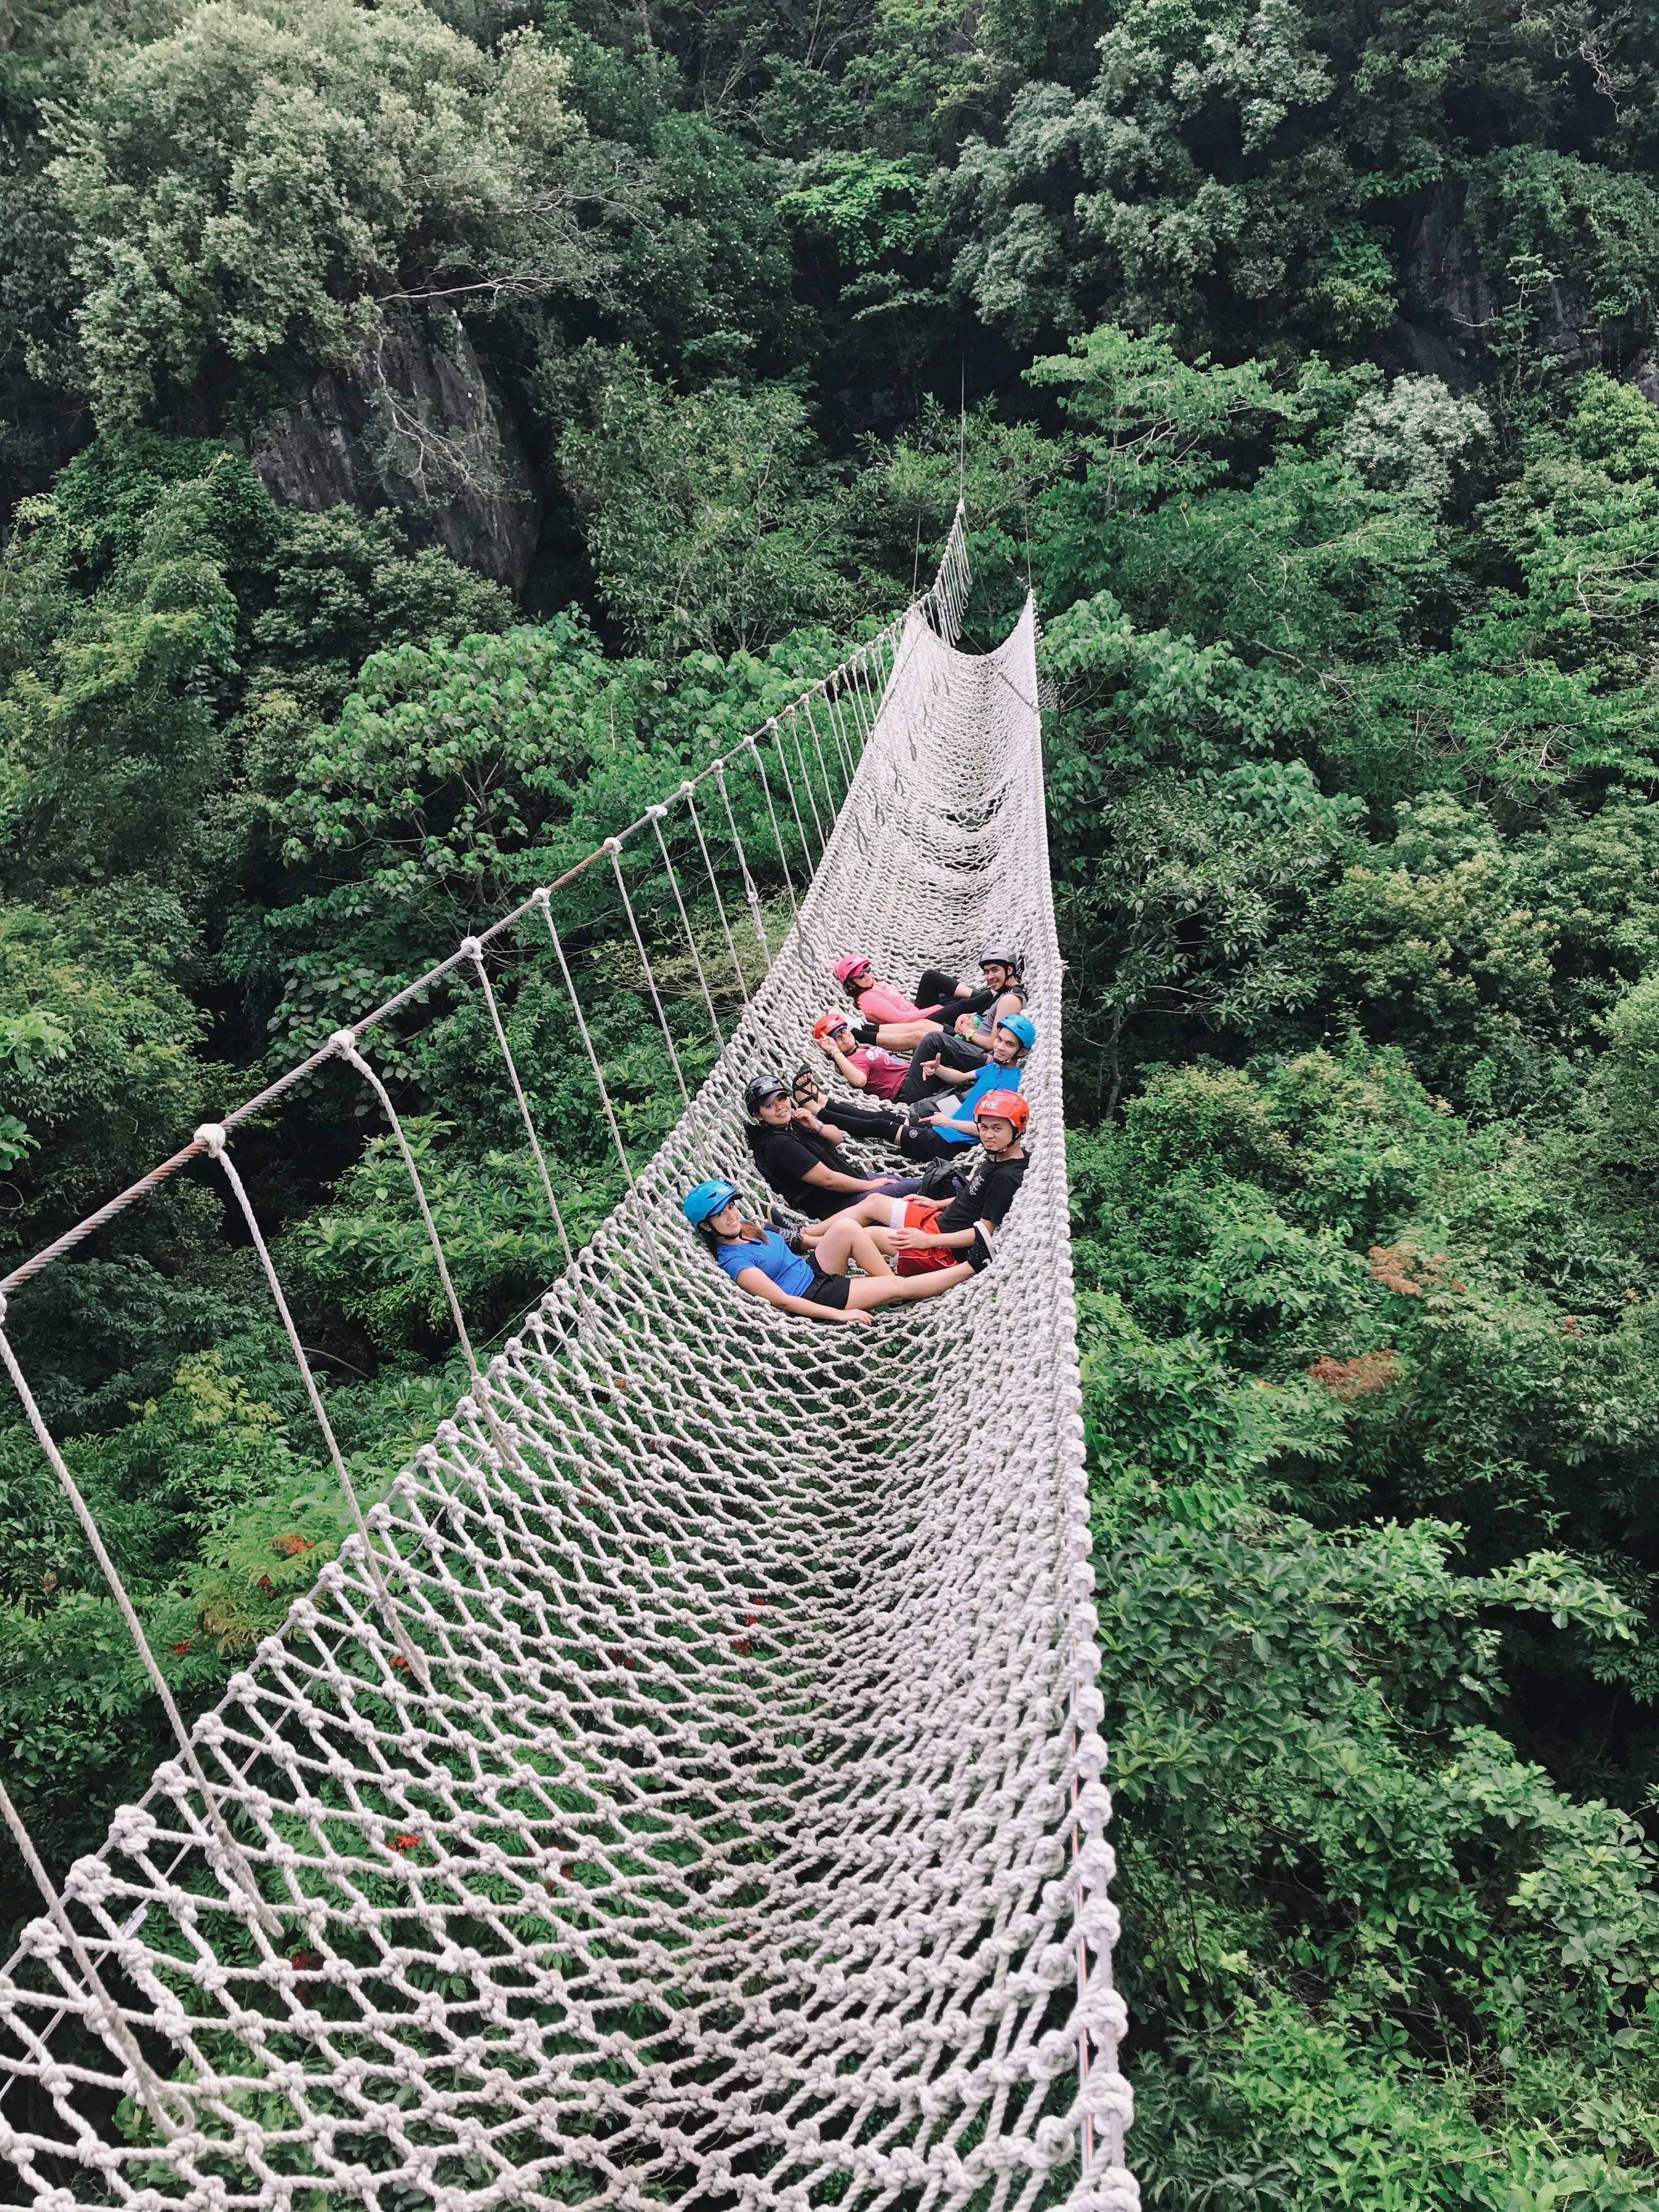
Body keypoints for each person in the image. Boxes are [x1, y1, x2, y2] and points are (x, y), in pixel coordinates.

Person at [681, 1181, 973, 1323]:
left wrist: (820, 1238)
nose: (731, 1215)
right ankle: (972, 1266)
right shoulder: (736, 1263)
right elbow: (784, 1302)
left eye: (731, 1206)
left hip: (812, 1271)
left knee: (848, 1227)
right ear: (707, 1227)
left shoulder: (742, 1226)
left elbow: (794, 1244)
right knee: (899, 1284)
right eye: (721, 1214)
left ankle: (892, 1294)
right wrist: (839, 1316)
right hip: (812, 1297)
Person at [833, 1091, 1029, 1275]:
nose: (988, 1135)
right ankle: (807, 1238)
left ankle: (896, 1289)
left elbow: (983, 1233)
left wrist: (927, 1241)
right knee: (875, 1201)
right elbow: (974, 1195)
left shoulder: (1005, 1178)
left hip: (944, 1251)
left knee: (866, 1235)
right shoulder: (999, 1157)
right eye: (984, 1127)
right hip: (938, 1222)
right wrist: (937, 1204)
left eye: (997, 1128)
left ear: (1018, 1130)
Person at [742, 1075, 917, 1220]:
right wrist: (870, 1186)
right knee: (916, 1188)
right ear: (759, 1115)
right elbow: (829, 1180)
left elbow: (837, 1139)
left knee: (913, 1187)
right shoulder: (779, 1145)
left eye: (782, 1099)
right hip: (842, 1204)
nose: (780, 1107)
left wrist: (816, 1127)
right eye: (770, 1105)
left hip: (854, 1179)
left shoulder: (792, 1123)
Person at [900, 1014, 1034, 1156]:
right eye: (999, 1039)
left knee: (883, 1126)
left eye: (1009, 1044)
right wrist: (938, 1069)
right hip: (942, 1127)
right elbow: (962, 1078)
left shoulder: (1011, 1083)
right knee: (884, 1119)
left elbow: (988, 1128)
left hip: (952, 1142)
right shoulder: (994, 1067)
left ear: (1022, 1052)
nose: (1000, 1047)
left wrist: (947, 1122)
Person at [812, 1010, 910, 1102]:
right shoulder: (850, 1062)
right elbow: (859, 1081)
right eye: (836, 1038)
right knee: (925, 1041)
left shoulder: (863, 1048)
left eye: (842, 1031)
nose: (843, 1037)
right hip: (904, 1088)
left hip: (911, 1075)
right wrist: (834, 1050)